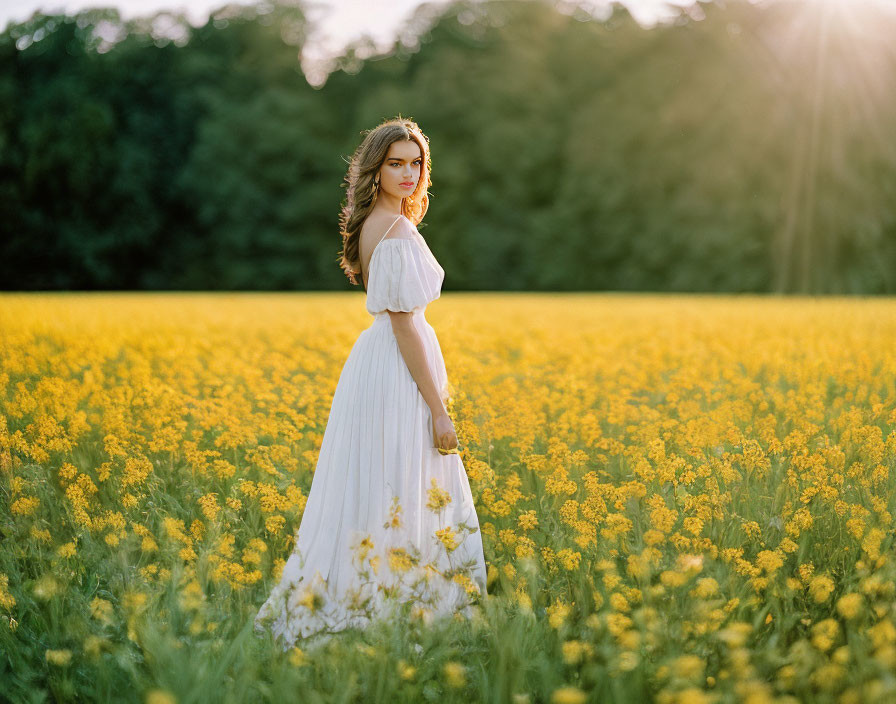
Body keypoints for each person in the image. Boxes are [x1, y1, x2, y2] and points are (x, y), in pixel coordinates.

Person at [254, 117, 489, 651]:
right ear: (376, 170)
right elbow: (406, 323)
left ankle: (367, 601)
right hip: (399, 369)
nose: (408, 174)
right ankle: (396, 611)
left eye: (416, 164)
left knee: (376, 484)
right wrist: (439, 409)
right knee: (406, 483)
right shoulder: (398, 230)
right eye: (395, 164)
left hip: (374, 364)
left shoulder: (371, 224)